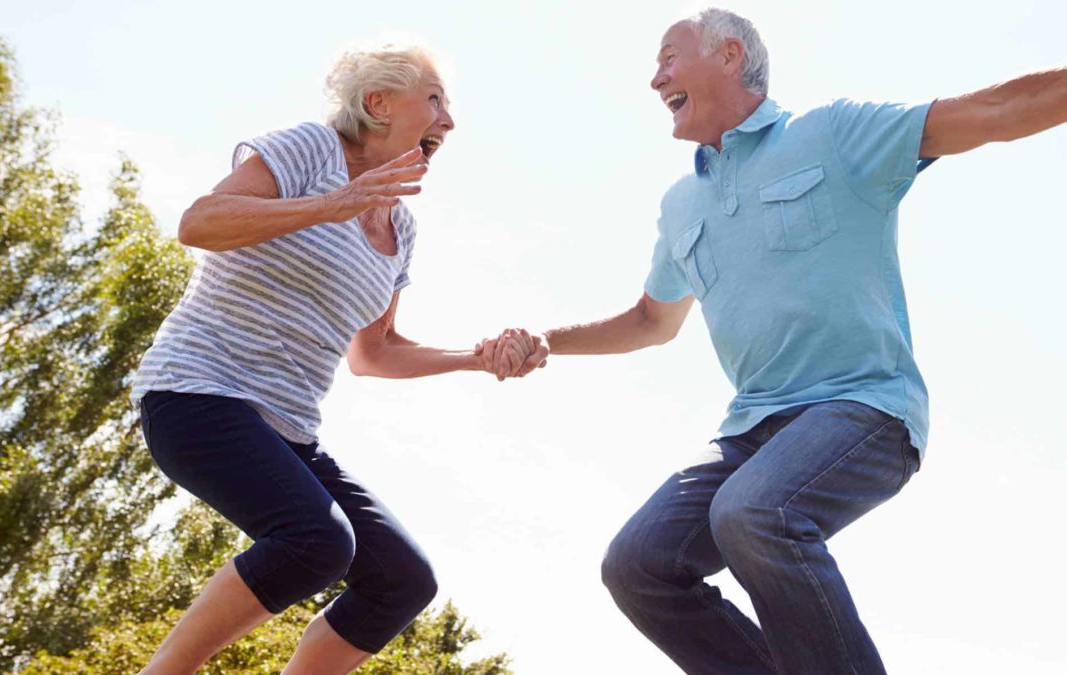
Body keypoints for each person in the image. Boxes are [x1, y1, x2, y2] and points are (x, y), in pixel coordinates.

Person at [484, 8, 1067, 674]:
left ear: (729, 55)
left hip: (864, 407)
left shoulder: (833, 135)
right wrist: (546, 340)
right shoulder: (681, 205)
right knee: (639, 562)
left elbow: (991, 112)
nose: (654, 79)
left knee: (752, 511)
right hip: (753, 430)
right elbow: (652, 320)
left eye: (669, 58)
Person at [129, 44, 534, 675]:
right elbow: (199, 222)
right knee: (317, 542)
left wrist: (475, 359)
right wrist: (329, 205)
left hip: (288, 429)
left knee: (400, 580)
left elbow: (375, 353)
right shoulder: (311, 150)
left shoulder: (401, 228)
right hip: (196, 394)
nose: (448, 121)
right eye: (434, 101)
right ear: (377, 104)